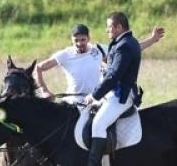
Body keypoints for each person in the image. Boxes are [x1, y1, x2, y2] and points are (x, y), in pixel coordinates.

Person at [77, 12, 142, 166]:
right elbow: (114, 70)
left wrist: (94, 95)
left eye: (110, 27)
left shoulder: (124, 46)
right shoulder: (124, 42)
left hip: (121, 95)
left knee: (98, 125)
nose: (107, 30)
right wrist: (106, 67)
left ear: (119, 27)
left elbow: (114, 77)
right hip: (114, 92)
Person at [35, 22, 164, 104]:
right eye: (76, 41)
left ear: (88, 38)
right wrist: (44, 91)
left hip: (95, 101)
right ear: (71, 40)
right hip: (73, 103)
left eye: (83, 39)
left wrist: (152, 40)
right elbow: (39, 68)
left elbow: (128, 50)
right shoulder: (65, 55)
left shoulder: (99, 50)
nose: (80, 43)